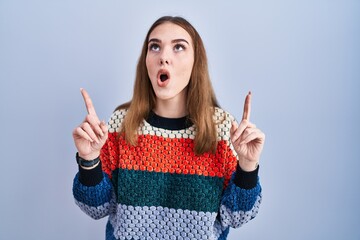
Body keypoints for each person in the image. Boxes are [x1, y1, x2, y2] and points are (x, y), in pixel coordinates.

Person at [72, 16, 265, 240]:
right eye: (155, 46)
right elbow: (96, 207)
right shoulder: (120, 125)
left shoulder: (221, 130)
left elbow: (237, 216)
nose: (163, 57)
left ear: (196, 62)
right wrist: (89, 160)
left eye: (178, 47)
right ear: (145, 60)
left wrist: (248, 166)